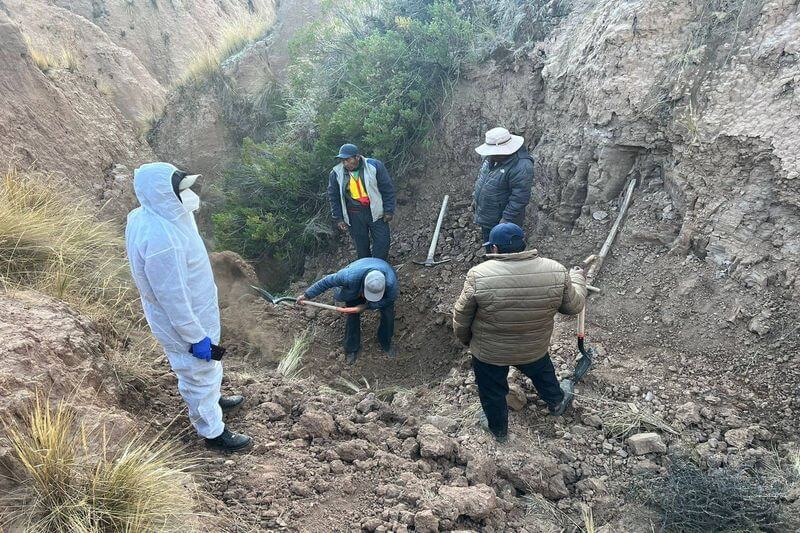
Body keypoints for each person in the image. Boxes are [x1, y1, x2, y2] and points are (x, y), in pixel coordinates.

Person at [125, 162, 252, 452]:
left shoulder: (156, 214)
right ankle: (213, 432)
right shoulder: (162, 241)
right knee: (197, 370)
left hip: (198, 307)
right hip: (184, 319)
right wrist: (194, 337)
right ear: (161, 193)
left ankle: (213, 399)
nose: (188, 192)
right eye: (179, 188)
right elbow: (173, 298)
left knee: (209, 364)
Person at [452, 222, 586, 443]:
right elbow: (573, 306)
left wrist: (469, 342)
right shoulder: (556, 270)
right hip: (533, 347)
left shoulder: (478, 275)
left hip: (490, 353)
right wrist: (578, 279)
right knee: (543, 373)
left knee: (492, 391)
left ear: (494, 249)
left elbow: (461, 317)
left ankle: (499, 431)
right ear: (524, 244)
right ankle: (556, 402)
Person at [299, 258, 398, 365]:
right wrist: (307, 295)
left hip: (379, 275)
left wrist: (365, 306)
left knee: (388, 315)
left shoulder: (390, 283)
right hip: (355, 284)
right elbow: (326, 282)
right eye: (367, 294)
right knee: (352, 314)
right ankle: (351, 348)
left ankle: (385, 341)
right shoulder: (347, 276)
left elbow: (389, 300)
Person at [328, 143, 396, 261]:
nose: (345, 163)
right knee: (361, 245)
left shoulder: (374, 166)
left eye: (348, 160)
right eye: (343, 160)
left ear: (357, 157)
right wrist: (338, 218)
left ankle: (378, 266)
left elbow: (387, 188)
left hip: (375, 210)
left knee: (383, 241)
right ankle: (366, 270)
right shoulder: (336, 174)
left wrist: (389, 210)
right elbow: (333, 197)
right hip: (354, 214)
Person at [473, 127, 534, 250]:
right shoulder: (491, 158)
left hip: (502, 221)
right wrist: (476, 200)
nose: (491, 154)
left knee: (505, 254)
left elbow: (519, 198)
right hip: (488, 215)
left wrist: (505, 221)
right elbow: (483, 179)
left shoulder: (521, 166)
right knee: (490, 246)